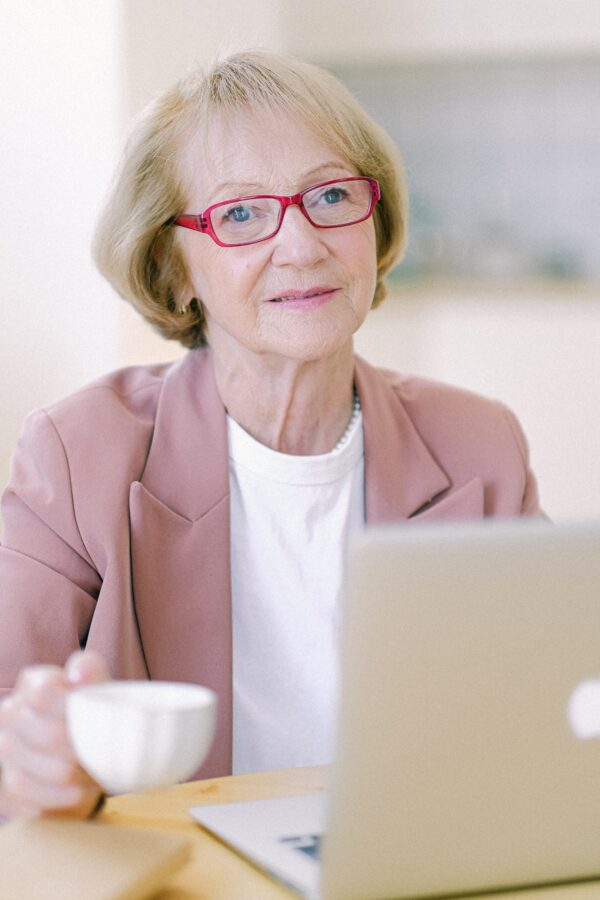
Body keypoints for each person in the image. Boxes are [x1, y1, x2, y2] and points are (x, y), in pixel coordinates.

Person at [0, 50, 544, 820]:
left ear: (375, 220)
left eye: (330, 195)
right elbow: (8, 716)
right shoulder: (77, 452)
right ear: (174, 265)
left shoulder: (477, 445)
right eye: (241, 214)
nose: (301, 245)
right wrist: (29, 757)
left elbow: (551, 707)